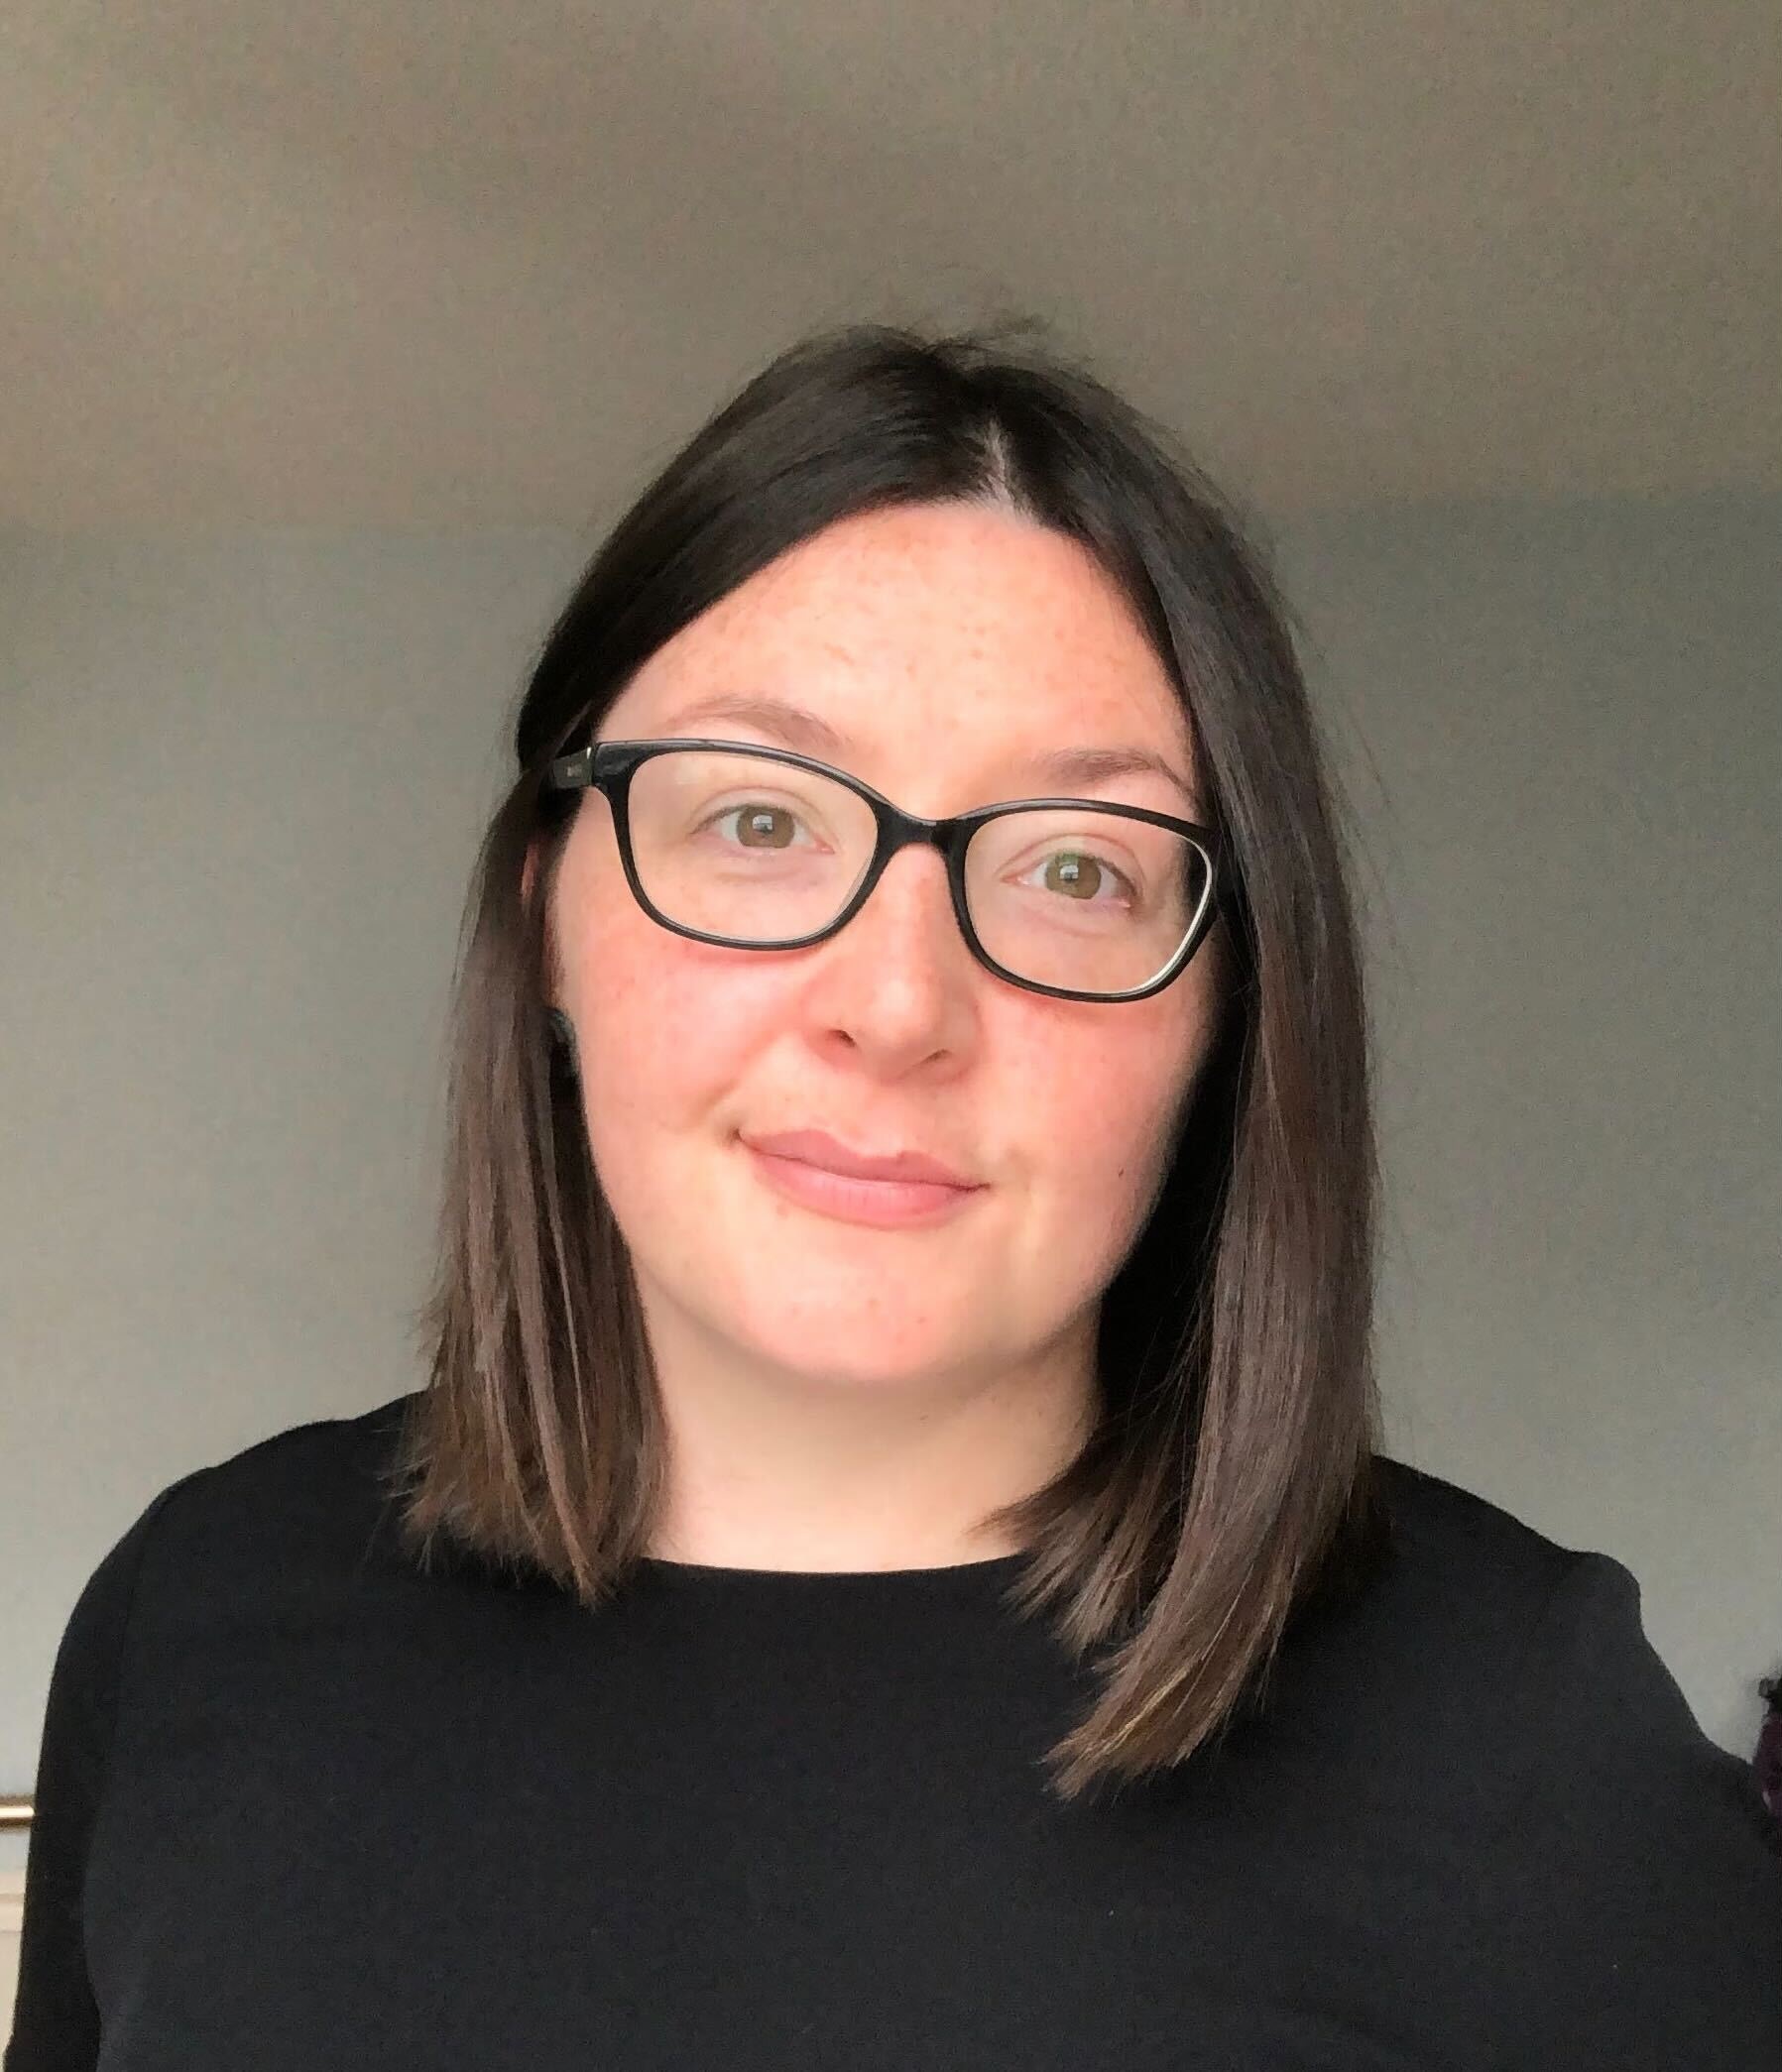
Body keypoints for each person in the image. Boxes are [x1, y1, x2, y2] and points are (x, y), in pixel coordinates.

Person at [7, 321, 1778, 2071]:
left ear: (1225, 1009)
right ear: (548, 912)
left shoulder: (1522, 1736)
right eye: (759, 821)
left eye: (1075, 866)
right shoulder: (194, 1619)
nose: (900, 1001)